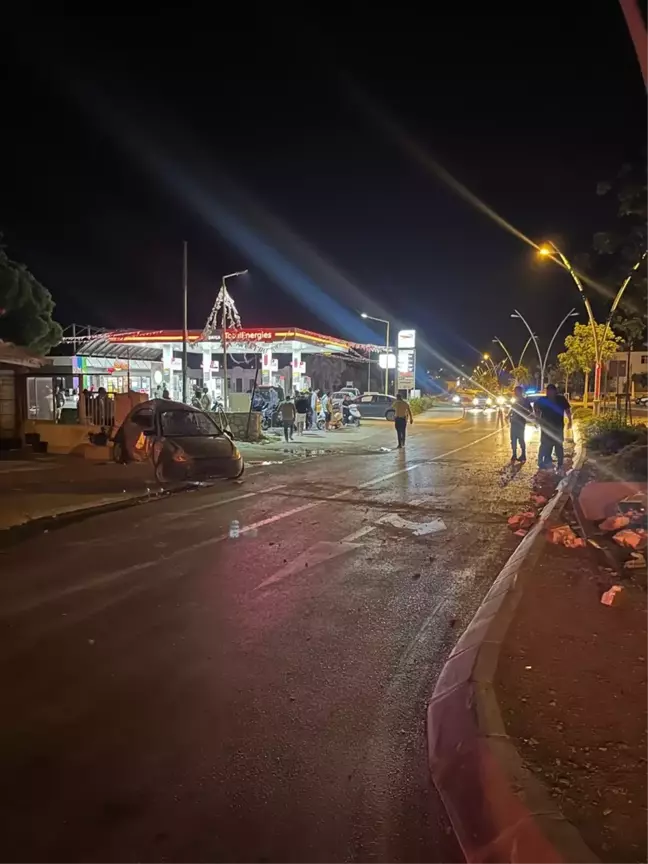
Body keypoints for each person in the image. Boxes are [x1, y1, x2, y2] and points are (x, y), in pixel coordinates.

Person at [534, 384, 572, 470]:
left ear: (555, 391)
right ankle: (542, 462)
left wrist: (570, 421)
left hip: (558, 427)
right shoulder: (543, 400)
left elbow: (567, 410)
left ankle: (560, 463)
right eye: (547, 391)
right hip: (546, 427)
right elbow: (536, 407)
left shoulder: (561, 399)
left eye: (550, 391)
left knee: (558, 445)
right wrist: (537, 418)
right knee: (544, 445)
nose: (549, 393)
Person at [508, 385, 532, 463]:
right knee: (513, 439)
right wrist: (508, 415)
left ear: (520, 392)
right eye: (514, 391)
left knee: (521, 439)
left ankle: (523, 454)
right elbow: (512, 409)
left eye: (516, 391)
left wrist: (524, 415)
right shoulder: (515, 400)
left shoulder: (525, 401)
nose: (515, 392)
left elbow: (530, 410)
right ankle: (514, 454)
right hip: (514, 422)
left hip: (520, 422)